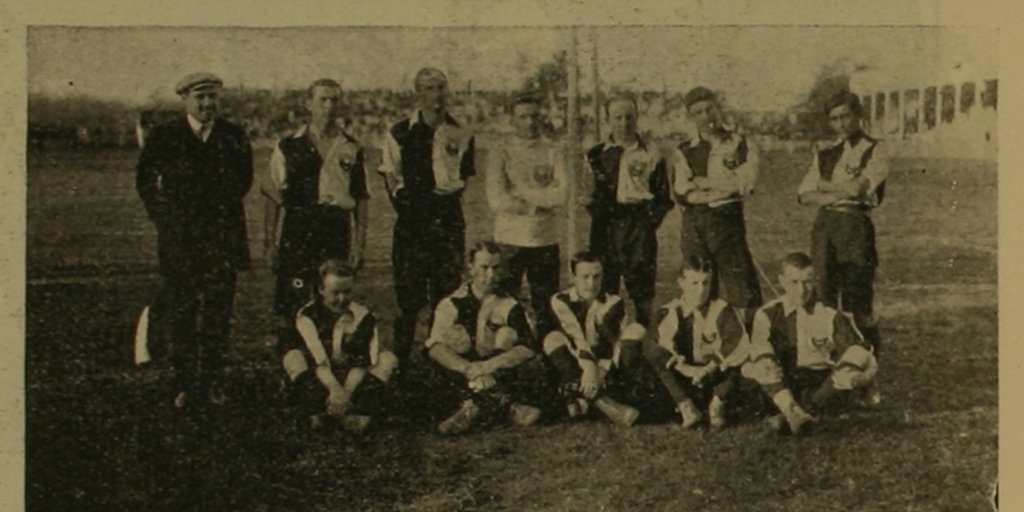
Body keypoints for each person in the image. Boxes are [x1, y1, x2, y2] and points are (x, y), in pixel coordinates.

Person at [134, 72, 253, 408]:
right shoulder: (165, 136)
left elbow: (243, 181)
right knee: (182, 315)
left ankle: (213, 381)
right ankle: (185, 384)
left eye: (212, 97)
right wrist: (165, 218)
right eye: (200, 97)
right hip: (180, 242)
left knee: (217, 315)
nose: (206, 104)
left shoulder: (232, 136)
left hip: (221, 241)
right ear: (185, 99)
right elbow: (145, 181)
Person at [378, 67, 475, 363]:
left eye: (441, 88)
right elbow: (390, 176)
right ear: (418, 93)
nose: (437, 95)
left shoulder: (461, 131)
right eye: (430, 88)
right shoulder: (399, 132)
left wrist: (445, 203)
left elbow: (465, 177)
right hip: (412, 222)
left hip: (447, 220)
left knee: (445, 297)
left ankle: (439, 362)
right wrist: (409, 207)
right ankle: (400, 364)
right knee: (408, 300)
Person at [262, 79, 369, 337]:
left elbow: (361, 199)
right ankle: (293, 363)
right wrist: (269, 243)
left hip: (335, 229)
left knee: (332, 299)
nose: (329, 106)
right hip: (298, 230)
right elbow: (273, 195)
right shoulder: (288, 146)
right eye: (323, 99)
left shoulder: (351, 147)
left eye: (334, 100)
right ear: (309, 104)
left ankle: (326, 361)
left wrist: (359, 244)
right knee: (293, 300)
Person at [742, 252, 878, 435]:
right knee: (763, 363)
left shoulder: (829, 314)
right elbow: (757, 352)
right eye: (794, 282)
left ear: (814, 280)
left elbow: (860, 352)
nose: (801, 290)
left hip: (820, 386)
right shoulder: (767, 314)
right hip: (783, 384)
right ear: (781, 281)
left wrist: (864, 377)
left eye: (807, 282)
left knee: (852, 361)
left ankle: (791, 416)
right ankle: (795, 412)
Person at [797, 91, 887, 366]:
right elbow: (803, 194)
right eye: (835, 119)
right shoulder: (825, 153)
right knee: (822, 299)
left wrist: (825, 186)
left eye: (846, 116)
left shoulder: (875, 148)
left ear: (858, 115)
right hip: (825, 227)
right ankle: (831, 364)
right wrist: (837, 191)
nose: (841, 123)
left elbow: (859, 187)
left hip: (855, 226)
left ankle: (867, 369)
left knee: (857, 303)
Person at [424, 242, 545, 435]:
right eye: (484, 267)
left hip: (494, 370)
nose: (490, 275)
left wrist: (488, 367)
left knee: (507, 336)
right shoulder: (451, 303)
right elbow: (434, 347)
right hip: (464, 371)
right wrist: (470, 370)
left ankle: (472, 407)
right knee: (454, 341)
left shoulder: (509, 303)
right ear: (470, 267)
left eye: (496, 268)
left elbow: (527, 347)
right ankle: (507, 406)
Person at [672, 86, 762, 323]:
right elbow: (684, 191)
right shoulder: (685, 150)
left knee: (742, 288)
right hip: (695, 226)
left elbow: (746, 182)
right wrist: (721, 189)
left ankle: (751, 345)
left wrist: (706, 184)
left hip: (727, 223)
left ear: (718, 108)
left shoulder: (739, 144)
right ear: (692, 117)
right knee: (698, 287)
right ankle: (702, 344)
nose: (706, 116)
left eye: (709, 109)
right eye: (698, 112)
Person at [583, 96, 673, 326]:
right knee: (604, 286)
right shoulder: (595, 154)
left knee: (641, 287)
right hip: (606, 225)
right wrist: (601, 214)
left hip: (638, 225)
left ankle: (642, 338)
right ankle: (605, 342)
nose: (624, 123)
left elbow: (663, 197)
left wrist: (647, 223)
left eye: (629, 117)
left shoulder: (651, 152)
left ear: (637, 118)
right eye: (618, 117)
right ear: (607, 120)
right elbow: (588, 194)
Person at [279, 259, 397, 433]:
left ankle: (335, 418)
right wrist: (335, 389)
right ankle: (325, 415)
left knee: (388, 358)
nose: (342, 299)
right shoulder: (307, 316)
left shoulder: (363, 316)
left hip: (352, 381)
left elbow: (362, 364)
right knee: (293, 357)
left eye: (347, 292)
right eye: (335, 293)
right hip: (320, 380)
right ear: (321, 289)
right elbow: (318, 363)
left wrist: (345, 393)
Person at [485, 93, 568, 339]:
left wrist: (519, 192)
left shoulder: (552, 151)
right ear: (512, 120)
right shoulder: (501, 152)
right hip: (510, 240)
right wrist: (538, 202)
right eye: (523, 116)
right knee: (504, 304)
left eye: (534, 116)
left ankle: (549, 361)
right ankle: (505, 360)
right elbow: (496, 199)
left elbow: (562, 194)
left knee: (546, 306)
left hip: (544, 240)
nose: (530, 122)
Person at [642, 255, 754, 429]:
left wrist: (708, 369)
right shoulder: (671, 311)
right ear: (681, 282)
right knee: (654, 352)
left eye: (706, 283)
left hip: (714, 375)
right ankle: (686, 406)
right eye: (694, 283)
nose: (701, 290)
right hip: (685, 377)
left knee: (739, 363)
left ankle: (717, 404)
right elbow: (661, 343)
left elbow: (737, 342)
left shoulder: (721, 309)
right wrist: (687, 369)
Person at [543, 251, 647, 427]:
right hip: (576, 360)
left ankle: (580, 400)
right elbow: (575, 337)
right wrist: (589, 369)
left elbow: (612, 344)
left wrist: (598, 374)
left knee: (633, 333)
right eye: (585, 277)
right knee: (552, 339)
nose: (591, 284)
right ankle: (602, 403)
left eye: (596, 277)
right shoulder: (560, 300)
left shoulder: (613, 302)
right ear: (573, 276)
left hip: (605, 366)